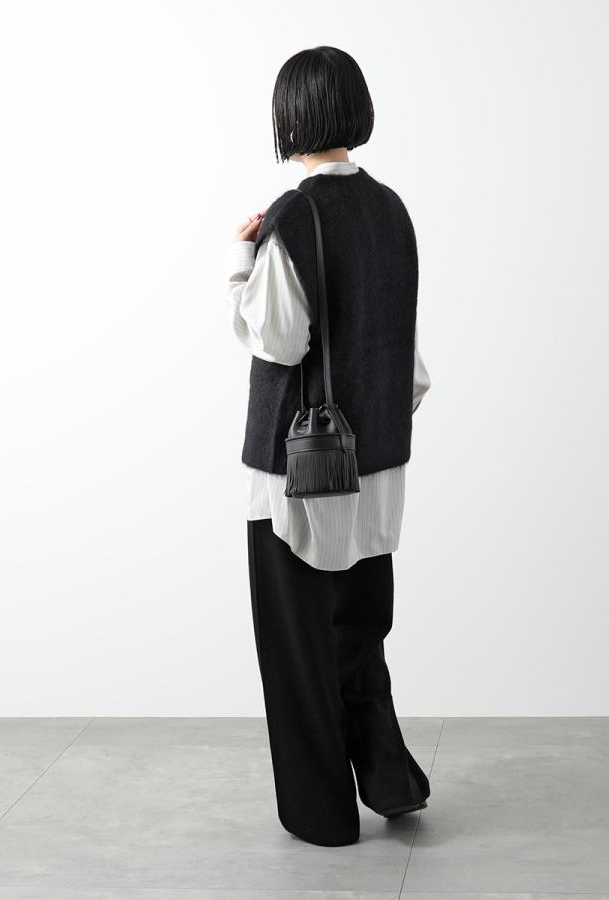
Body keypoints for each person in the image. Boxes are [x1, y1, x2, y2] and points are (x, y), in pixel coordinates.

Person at [223, 46, 431, 848]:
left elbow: (279, 341)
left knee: (298, 653)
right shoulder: (392, 211)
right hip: (377, 467)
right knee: (359, 639)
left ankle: (322, 817)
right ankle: (389, 778)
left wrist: (240, 267)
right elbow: (407, 361)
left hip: (298, 476)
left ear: (290, 117)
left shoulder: (295, 216)